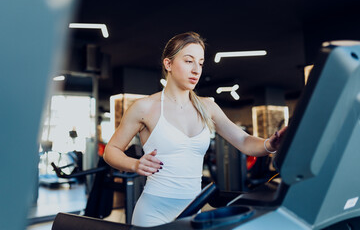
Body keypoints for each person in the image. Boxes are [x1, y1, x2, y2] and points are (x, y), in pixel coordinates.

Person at [103, 31, 287, 227]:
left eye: (200, 63)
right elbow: (111, 151)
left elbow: (243, 141)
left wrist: (270, 143)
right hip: (153, 211)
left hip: (194, 210)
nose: (196, 70)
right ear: (168, 64)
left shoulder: (208, 107)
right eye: (189, 61)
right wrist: (135, 165)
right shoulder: (145, 107)